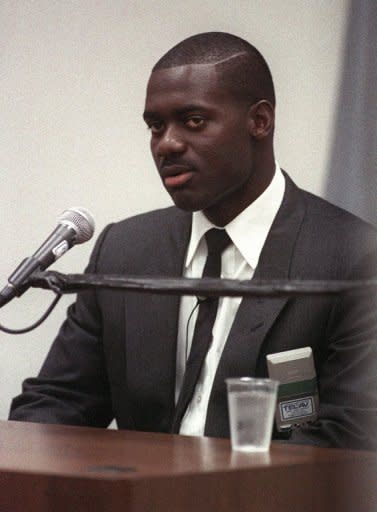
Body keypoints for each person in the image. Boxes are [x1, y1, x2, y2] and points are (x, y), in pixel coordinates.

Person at [9, 32, 377, 450]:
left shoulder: (353, 257)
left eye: (193, 121)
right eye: (155, 126)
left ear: (259, 121)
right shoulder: (126, 251)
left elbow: (352, 438)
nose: (167, 144)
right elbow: (57, 402)